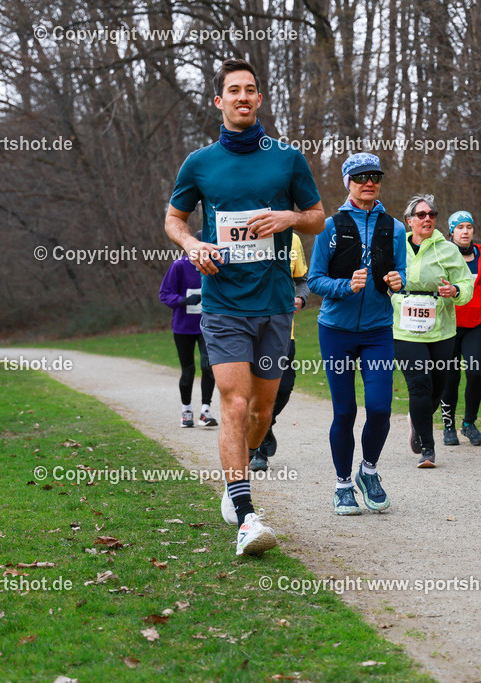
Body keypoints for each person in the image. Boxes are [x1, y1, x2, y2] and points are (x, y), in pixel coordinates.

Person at [164, 58, 324, 556]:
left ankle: (240, 471)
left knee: (261, 410)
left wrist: (288, 217)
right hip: (224, 303)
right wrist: (193, 247)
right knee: (232, 403)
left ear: (259, 99)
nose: (242, 97)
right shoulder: (200, 163)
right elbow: (174, 220)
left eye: (250, 90)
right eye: (233, 90)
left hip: (275, 303)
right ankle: (245, 511)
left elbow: (318, 218)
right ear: (219, 101)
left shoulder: (288, 159)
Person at [308, 153, 407, 514]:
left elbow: (401, 275)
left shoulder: (394, 228)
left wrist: (400, 282)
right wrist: (344, 287)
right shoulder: (330, 227)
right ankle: (342, 485)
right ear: (348, 181)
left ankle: (368, 471)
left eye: (375, 176)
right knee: (345, 411)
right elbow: (314, 279)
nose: (370, 182)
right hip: (336, 330)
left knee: (380, 408)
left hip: (378, 331)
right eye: (361, 176)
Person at [393, 195, 474, 468]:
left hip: (441, 328)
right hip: (404, 328)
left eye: (432, 214)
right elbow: (381, 276)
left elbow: (466, 282)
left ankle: (418, 420)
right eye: (421, 214)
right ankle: (428, 448)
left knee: (438, 389)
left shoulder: (448, 249)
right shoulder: (395, 245)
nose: (427, 218)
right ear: (410, 221)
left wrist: (455, 290)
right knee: (419, 385)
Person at [250, 231, 309, 471]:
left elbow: (303, 281)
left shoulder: (292, 239)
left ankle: (266, 422)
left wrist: (300, 299)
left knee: (283, 387)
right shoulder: (239, 236)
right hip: (246, 328)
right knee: (255, 389)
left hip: (283, 328)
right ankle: (259, 451)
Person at [440, 211, 481, 447]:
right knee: (449, 379)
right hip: (449, 326)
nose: (465, 231)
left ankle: (469, 424)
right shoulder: (441, 253)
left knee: (475, 373)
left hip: (475, 324)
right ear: (451, 231)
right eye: (460, 227)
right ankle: (448, 426)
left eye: (469, 227)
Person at [159, 240, 217, 428]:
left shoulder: (214, 266)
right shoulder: (178, 266)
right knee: (188, 370)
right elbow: (164, 294)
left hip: (206, 326)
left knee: (208, 366)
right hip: (183, 327)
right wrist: (183, 300)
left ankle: (205, 411)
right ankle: (186, 410)